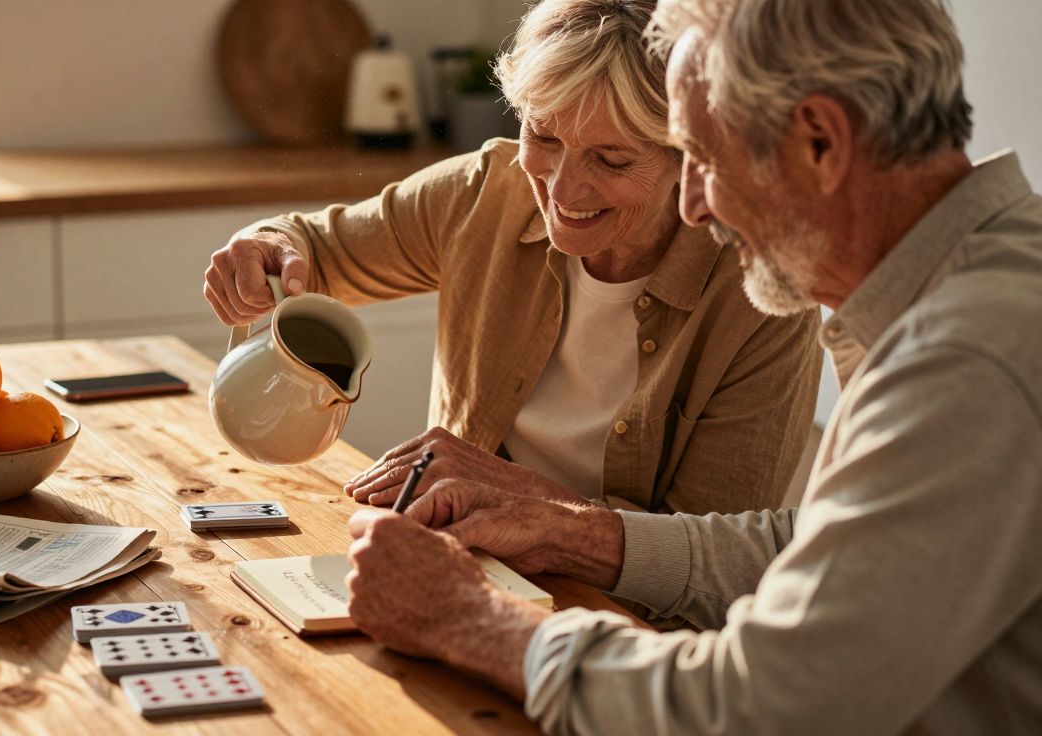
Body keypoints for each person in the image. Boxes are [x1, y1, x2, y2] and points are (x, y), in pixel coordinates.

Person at [344, 0, 1042, 732]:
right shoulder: (982, 277)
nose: (692, 204)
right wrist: (565, 530)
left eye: (705, 159)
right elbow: (814, 552)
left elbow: (763, 708)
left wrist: (470, 620)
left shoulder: (964, 361)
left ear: (820, 142)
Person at [204, 0, 820, 516]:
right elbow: (313, 244)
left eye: (611, 160)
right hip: (452, 568)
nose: (562, 189)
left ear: (688, 153)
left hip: (628, 631)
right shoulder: (485, 192)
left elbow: (709, 559)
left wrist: (515, 501)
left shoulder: (762, 293)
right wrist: (265, 248)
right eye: (543, 137)